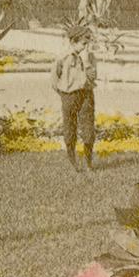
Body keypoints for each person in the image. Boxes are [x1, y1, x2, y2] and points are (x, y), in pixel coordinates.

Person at [52, 22, 98, 172]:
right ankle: (74, 163)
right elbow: (54, 80)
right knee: (69, 130)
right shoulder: (62, 57)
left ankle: (88, 162)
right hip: (69, 96)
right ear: (73, 42)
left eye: (88, 43)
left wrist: (86, 61)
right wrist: (65, 94)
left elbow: (93, 77)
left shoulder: (90, 57)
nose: (86, 47)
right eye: (83, 43)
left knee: (88, 129)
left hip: (86, 95)